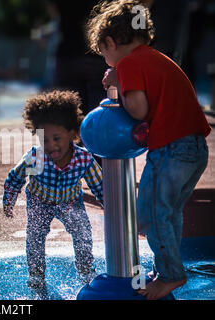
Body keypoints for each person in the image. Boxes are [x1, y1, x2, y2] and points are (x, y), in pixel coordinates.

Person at [86, 0, 211, 299]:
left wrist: (120, 83)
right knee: (167, 214)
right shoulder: (155, 57)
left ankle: (170, 275)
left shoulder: (128, 64)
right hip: (195, 148)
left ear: (110, 42)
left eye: (104, 53)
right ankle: (166, 269)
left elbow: (139, 110)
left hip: (171, 148)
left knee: (149, 214)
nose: (107, 60)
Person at [2, 90, 103, 289]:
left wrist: (111, 205)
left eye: (57, 138)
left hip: (70, 201)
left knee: (83, 233)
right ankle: (36, 274)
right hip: (40, 200)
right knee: (35, 236)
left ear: (73, 135)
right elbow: (16, 177)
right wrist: (9, 199)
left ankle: (85, 270)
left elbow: (99, 186)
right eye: (45, 140)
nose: (51, 145)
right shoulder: (36, 157)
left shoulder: (83, 159)